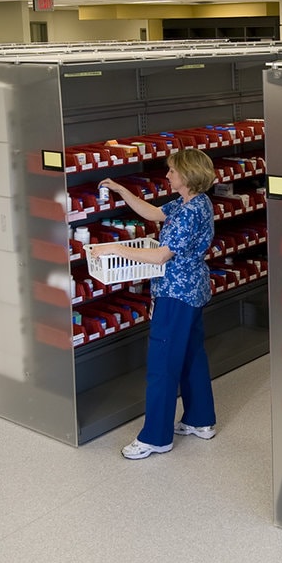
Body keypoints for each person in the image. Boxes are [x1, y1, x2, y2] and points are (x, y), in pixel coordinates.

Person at [93, 148, 218, 460]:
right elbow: (154, 213)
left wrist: (113, 248)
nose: (167, 175)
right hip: (193, 290)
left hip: (176, 295)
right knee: (191, 355)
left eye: (172, 171)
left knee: (162, 366)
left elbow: (161, 255)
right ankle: (200, 420)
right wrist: (123, 191)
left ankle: (155, 437)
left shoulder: (189, 213)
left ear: (187, 176)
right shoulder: (195, 201)